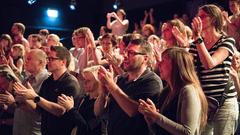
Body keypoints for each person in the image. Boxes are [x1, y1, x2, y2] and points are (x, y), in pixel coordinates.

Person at [95, 38, 163, 135]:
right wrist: (103, 93)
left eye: (131, 53)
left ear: (145, 58)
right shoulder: (120, 79)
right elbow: (98, 112)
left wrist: (111, 85)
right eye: (126, 52)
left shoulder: (152, 81)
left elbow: (133, 111)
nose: (125, 56)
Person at [190, 4, 239, 135]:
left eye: (202, 16)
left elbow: (210, 64)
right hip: (204, 104)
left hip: (224, 102)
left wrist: (198, 39)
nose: (198, 20)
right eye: (197, 16)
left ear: (212, 19)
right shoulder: (194, 45)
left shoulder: (227, 41)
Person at [138, 47, 208, 135]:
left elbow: (187, 132)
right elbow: (160, 130)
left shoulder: (188, 90)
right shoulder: (166, 91)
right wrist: (151, 120)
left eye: (163, 61)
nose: (159, 64)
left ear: (176, 65)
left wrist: (156, 116)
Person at [14, 46, 80, 135]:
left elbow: (60, 111)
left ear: (63, 62)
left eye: (52, 59)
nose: (48, 61)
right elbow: (39, 109)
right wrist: (23, 97)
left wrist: (34, 97)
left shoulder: (70, 82)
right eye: (48, 58)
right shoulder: (47, 82)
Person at [58, 65, 106, 135]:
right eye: (84, 79)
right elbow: (74, 122)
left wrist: (71, 109)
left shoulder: (101, 103)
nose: (84, 83)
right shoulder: (84, 98)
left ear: (99, 81)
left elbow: (87, 128)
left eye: (88, 80)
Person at [13, 49, 49, 135]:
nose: (25, 61)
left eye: (29, 59)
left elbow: (41, 110)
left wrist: (25, 97)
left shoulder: (48, 81)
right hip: (19, 128)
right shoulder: (27, 79)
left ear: (40, 63)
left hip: (32, 131)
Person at [0, 65, 20, 135]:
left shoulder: (20, 93)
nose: (0, 87)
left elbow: (23, 118)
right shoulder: (2, 92)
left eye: (3, 83)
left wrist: (13, 103)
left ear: (11, 81)